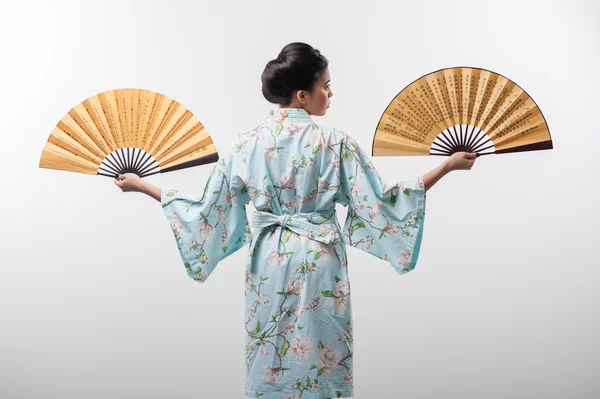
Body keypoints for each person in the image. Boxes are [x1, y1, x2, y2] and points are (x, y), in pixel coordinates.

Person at [114, 42, 476, 399]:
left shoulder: (246, 144)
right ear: (303, 95)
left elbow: (205, 210)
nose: (331, 94)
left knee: (270, 351)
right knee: (323, 353)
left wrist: (143, 186)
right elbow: (382, 202)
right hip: (321, 259)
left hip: (269, 260)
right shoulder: (335, 143)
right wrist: (446, 166)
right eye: (325, 86)